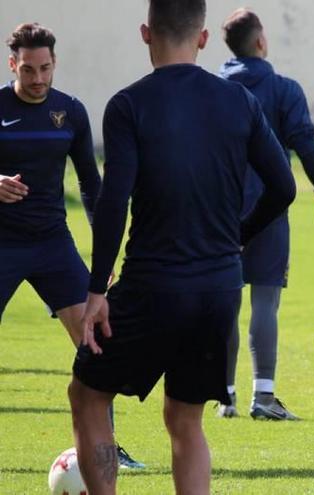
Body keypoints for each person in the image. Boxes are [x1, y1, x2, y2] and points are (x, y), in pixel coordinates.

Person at [67, 1, 296, 493]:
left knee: (88, 394)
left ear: (146, 33)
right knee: (186, 420)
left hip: (152, 287)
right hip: (217, 290)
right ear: (204, 38)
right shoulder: (239, 102)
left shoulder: (128, 104)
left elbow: (114, 201)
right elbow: (284, 188)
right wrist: (237, 238)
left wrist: (96, 288)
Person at [0, 22, 144, 470]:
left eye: (45, 68)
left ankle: (108, 447)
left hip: (51, 244)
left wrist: (102, 256)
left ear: (54, 63)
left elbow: (89, 184)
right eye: (28, 70)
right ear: (12, 65)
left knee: (96, 341)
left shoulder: (71, 112)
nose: (38, 78)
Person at [216, 7, 314, 421]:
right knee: (265, 301)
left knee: (225, 301)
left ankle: (225, 396)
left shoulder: (213, 87)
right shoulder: (284, 88)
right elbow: (305, 146)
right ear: (260, 41)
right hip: (269, 207)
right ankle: (264, 397)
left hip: (218, 210)